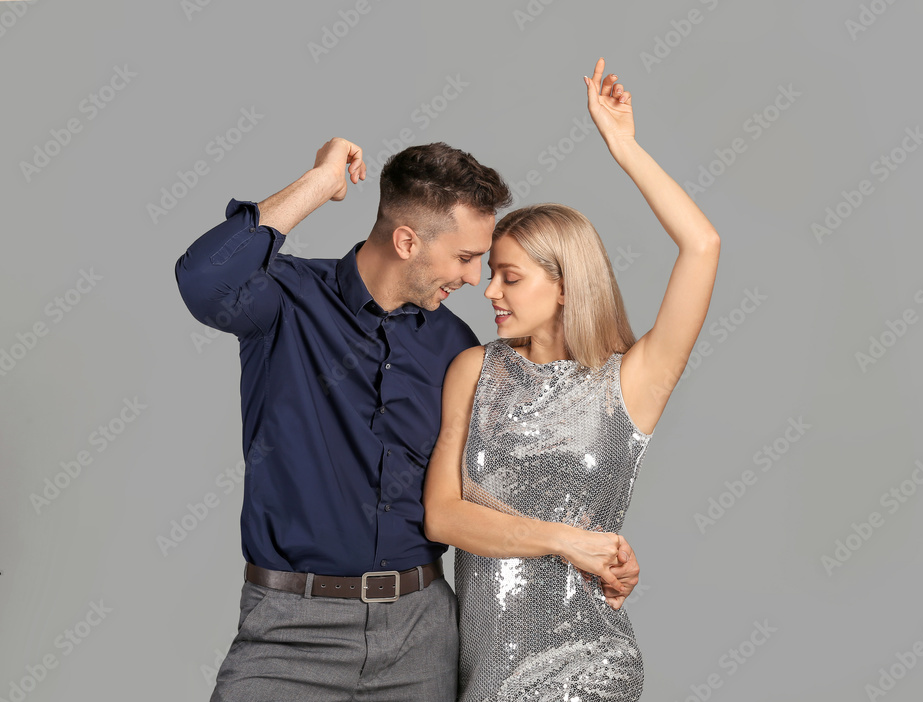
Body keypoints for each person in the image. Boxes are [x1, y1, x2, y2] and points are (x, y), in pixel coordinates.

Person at [174, 133, 643, 699]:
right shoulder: (285, 301)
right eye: (467, 258)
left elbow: (508, 482)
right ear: (406, 240)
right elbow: (203, 278)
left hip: (422, 641)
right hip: (288, 633)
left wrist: (598, 548)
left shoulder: (458, 347)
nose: (475, 280)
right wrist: (319, 184)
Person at [422, 57, 721, 700]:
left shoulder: (630, 382)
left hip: (584, 666)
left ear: (563, 286)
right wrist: (566, 542)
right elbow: (443, 517)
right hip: (482, 675)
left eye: (510, 276)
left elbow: (702, 246)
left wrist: (624, 146)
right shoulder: (472, 370)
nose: (489, 291)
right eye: (490, 271)